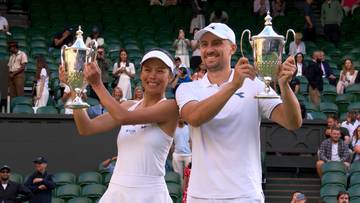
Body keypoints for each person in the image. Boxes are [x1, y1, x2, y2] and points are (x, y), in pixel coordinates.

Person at [176, 23, 302, 202]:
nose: (209, 49)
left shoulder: (255, 84)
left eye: (217, 43)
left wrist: (284, 86)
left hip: (245, 194)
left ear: (233, 48)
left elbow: (293, 122)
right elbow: (195, 118)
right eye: (204, 44)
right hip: (201, 196)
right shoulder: (188, 88)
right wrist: (234, 85)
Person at [71, 49, 179, 202]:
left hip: (150, 194)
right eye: (147, 70)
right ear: (141, 74)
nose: (153, 76)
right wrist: (74, 88)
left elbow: (123, 117)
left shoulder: (171, 107)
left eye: (160, 71)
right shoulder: (128, 105)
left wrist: (97, 84)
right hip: (117, 191)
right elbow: (86, 128)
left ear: (171, 77)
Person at [172, 118, 191, 184]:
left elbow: (191, 141)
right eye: (179, 117)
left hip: (188, 155)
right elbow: (172, 142)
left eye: (182, 117)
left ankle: (186, 191)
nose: (180, 119)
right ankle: (179, 191)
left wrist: (192, 153)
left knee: (189, 175)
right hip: (177, 154)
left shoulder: (188, 128)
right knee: (178, 175)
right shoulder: (173, 129)